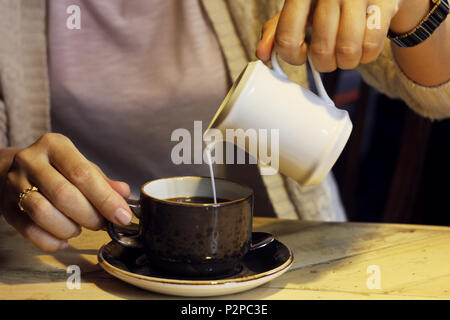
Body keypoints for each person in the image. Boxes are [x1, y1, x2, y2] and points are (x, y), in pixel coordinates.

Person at [0, 0, 448, 252]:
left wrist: (407, 6)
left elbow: (440, 92)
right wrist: (5, 171)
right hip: (86, 260)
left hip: (286, 260)